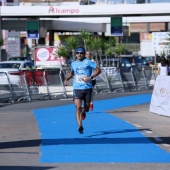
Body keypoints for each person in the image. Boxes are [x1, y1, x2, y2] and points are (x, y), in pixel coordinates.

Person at [64, 47, 101, 134]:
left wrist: (91, 77)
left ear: (84, 54)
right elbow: (72, 73)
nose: (79, 54)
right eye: (77, 53)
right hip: (77, 88)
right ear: (76, 54)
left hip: (87, 88)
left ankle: (84, 111)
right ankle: (80, 125)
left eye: (81, 53)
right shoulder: (73, 63)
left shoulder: (88, 62)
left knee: (87, 108)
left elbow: (99, 70)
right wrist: (67, 79)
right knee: (77, 107)